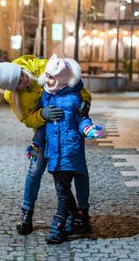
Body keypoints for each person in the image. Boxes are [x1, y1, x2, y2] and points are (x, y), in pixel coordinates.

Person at [0, 55, 92, 236]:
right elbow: (27, 119)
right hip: (43, 131)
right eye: (18, 83)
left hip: (68, 125)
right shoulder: (13, 97)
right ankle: (27, 213)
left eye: (21, 75)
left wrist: (85, 103)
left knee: (78, 170)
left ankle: (81, 213)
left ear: (19, 68)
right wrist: (42, 114)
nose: (23, 80)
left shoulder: (41, 65)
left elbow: (72, 80)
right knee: (36, 170)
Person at [37, 55, 103, 244]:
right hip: (53, 151)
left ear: (62, 79)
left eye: (51, 77)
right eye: (47, 76)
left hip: (69, 150)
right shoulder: (46, 96)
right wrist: (35, 143)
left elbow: (82, 119)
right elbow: (42, 126)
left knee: (61, 190)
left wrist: (88, 129)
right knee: (63, 188)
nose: (47, 80)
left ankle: (58, 226)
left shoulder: (74, 99)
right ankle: (78, 218)